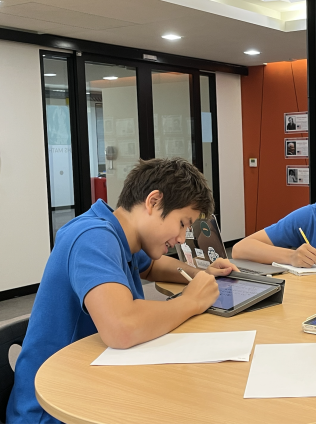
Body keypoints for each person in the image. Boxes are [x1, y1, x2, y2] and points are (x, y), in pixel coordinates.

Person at [6, 158, 239, 424]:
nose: (181, 237)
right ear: (153, 202)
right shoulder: (92, 236)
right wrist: (191, 301)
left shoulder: (120, 235)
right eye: (183, 223)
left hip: (96, 380)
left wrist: (203, 276)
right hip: (54, 408)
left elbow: (152, 265)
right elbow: (121, 327)